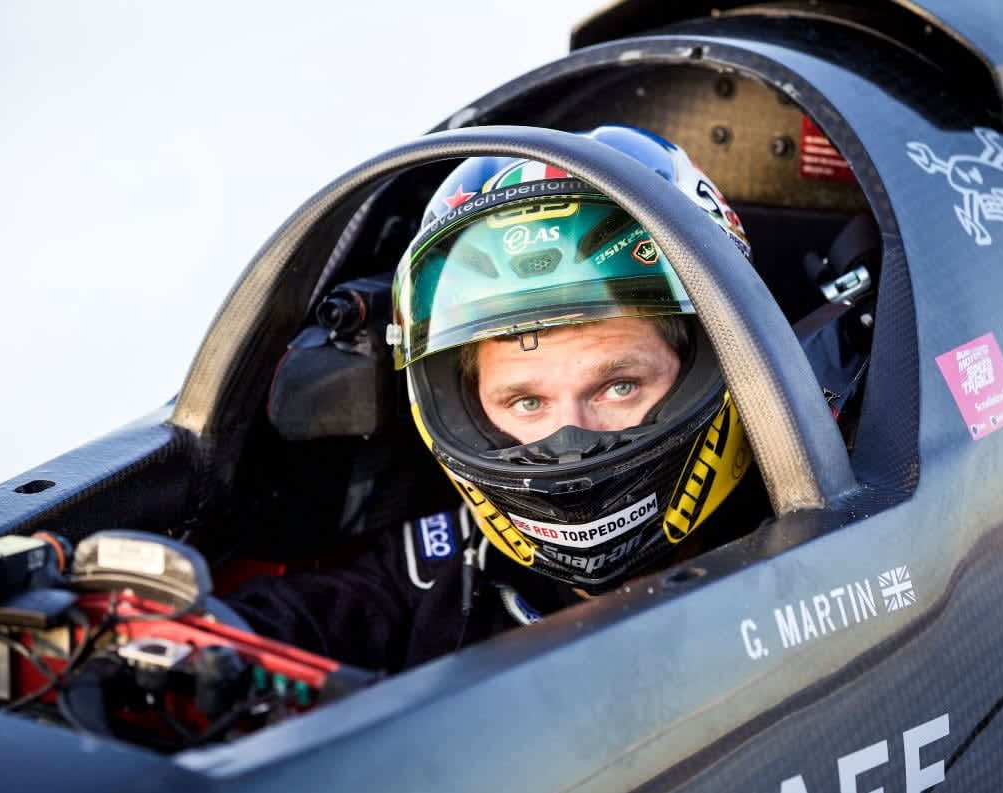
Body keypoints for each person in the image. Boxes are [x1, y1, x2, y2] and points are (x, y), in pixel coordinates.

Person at [230, 126, 827, 673]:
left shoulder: (836, 539)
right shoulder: (452, 566)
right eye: (525, 402)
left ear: (723, 357)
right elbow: (298, 619)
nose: (568, 441)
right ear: (465, 406)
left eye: (619, 386)